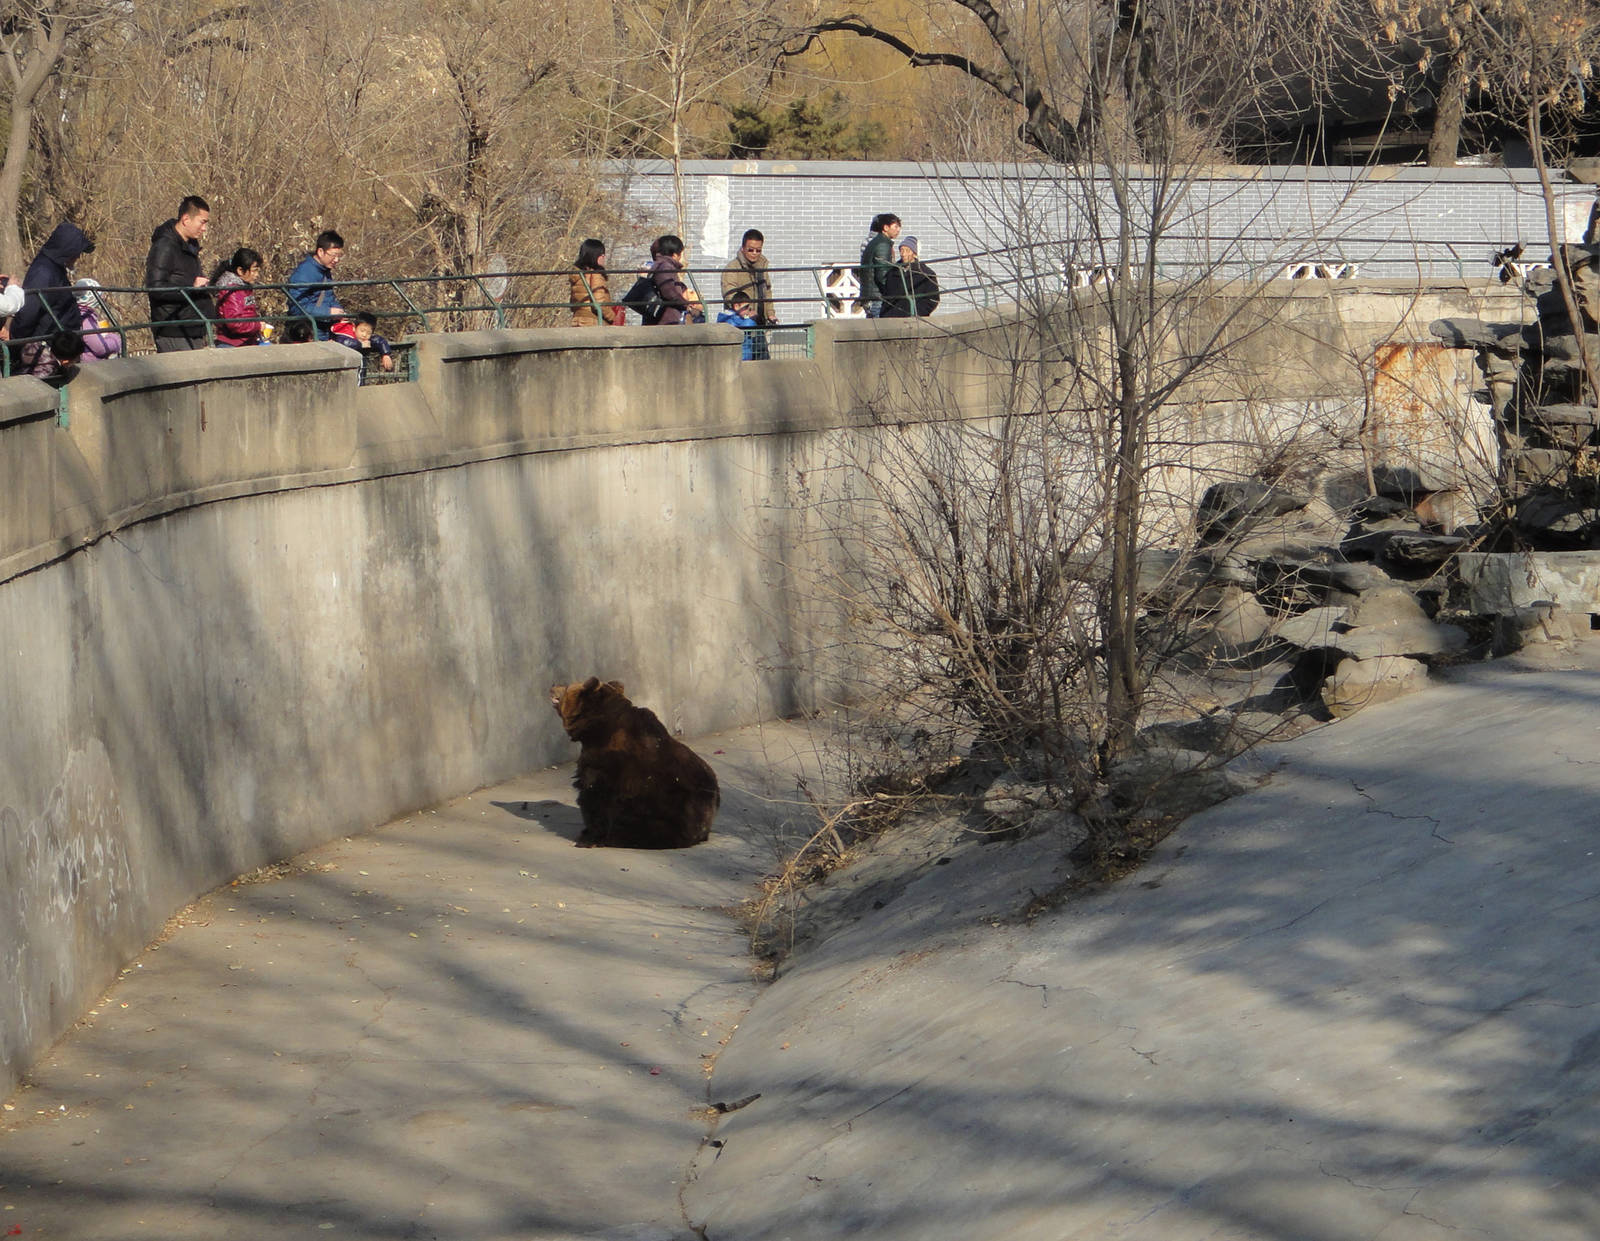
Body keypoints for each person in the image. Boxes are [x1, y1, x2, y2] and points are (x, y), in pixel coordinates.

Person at [145, 196, 214, 352]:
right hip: (174, 329)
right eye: (202, 222)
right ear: (186, 219)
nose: (204, 229)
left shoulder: (191, 246)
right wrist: (191, 288)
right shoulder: (164, 246)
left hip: (193, 327)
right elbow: (155, 287)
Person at [10, 221, 95, 343]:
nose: (78, 258)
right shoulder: (43, 273)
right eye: (77, 253)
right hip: (48, 347)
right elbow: (29, 312)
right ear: (67, 251)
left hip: (61, 343)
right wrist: (16, 343)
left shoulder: (55, 267)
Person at [285, 230, 346, 339]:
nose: (336, 260)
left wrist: (339, 312)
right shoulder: (304, 273)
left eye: (339, 256)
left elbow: (329, 297)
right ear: (321, 252)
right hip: (308, 333)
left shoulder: (325, 270)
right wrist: (328, 312)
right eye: (333, 255)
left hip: (323, 329)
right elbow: (296, 307)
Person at [211, 248, 266, 347]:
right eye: (254, 271)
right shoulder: (232, 291)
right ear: (240, 271)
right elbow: (234, 323)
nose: (257, 275)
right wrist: (257, 326)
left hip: (246, 340)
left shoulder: (244, 288)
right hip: (233, 343)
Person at [721, 228, 776, 326]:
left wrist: (770, 314)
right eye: (750, 250)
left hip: (760, 322)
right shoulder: (732, 268)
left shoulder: (762, 268)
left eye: (758, 250)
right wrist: (745, 310)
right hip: (739, 323)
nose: (754, 253)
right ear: (743, 248)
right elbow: (730, 294)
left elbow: (767, 292)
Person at [880, 235, 941, 318]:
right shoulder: (892, 272)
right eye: (901, 250)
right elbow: (887, 297)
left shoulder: (926, 274)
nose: (903, 254)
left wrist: (916, 312)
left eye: (907, 250)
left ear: (914, 253)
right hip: (893, 318)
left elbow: (932, 299)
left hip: (915, 318)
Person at [648, 234, 703, 325]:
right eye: (681, 254)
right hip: (666, 319)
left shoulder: (662, 265)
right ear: (674, 255)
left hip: (665, 317)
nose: (681, 258)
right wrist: (686, 305)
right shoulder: (665, 267)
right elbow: (669, 291)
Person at [569, 238, 622, 326]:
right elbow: (599, 303)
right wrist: (613, 317)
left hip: (577, 320)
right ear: (595, 256)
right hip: (593, 321)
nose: (604, 257)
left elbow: (572, 302)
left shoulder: (577, 275)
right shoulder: (596, 274)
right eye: (602, 255)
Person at [857, 213, 901, 318]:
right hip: (877, 296)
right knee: (879, 327)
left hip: (871, 295)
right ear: (885, 228)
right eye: (895, 227)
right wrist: (893, 292)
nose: (898, 230)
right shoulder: (882, 244)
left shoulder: (877, 241)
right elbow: (883, 273)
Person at [72, 278, 122, 359]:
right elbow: (100, 348)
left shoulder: (73, 313)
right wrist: (116, 339)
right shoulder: (85, 319)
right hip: (90, 362)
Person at [330, 310, 395, 372]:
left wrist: (385, 355)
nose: (364, 335)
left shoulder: (367, 338)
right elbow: (344, 342)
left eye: (369, 333)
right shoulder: (345, 333)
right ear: (354, 327)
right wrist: (360, 344)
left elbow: (380, 340)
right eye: (362, 330)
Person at [19, 330, 86, 387]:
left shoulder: (36, 345)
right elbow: (34, 387)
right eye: (76, 358)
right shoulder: (47, 370)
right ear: (67, 361)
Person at [715, 294, 769, 360]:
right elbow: (743, 327)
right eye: (746, 307)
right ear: (736, 306)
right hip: (740, 357)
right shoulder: (731, 320)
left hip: (742, 356)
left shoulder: (733, 317)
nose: (748, 310)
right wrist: (752, 319)